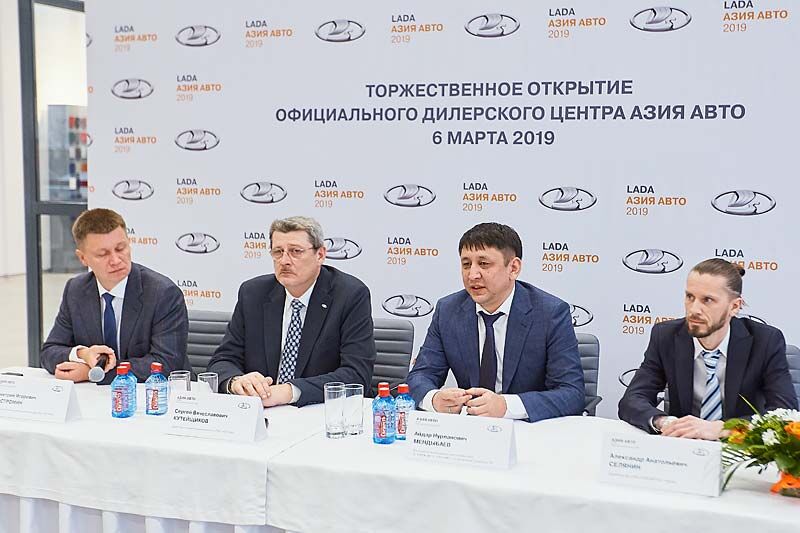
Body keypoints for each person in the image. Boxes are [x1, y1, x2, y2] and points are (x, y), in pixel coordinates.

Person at [406, 222, 585, 421]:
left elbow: (571, 393)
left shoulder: (550, 313)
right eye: (466, 264)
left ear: (513, 268)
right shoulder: (448, 310)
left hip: (527, 429)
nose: (472, 275)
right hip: (469, 429)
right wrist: (434, 399)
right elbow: (420, 376)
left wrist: (506, 406)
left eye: (484, 264)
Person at [618, 258, 798, 440]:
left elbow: (785, 414)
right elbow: (633, 399)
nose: (694, 309)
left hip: (739, 448)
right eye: (690, 297)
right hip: (683, 446)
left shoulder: (765, 341)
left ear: (734, 306)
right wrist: (665, 422)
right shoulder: (666, 336)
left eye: (708, 300)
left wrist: (724, 429)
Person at [208, 216, 376, 407]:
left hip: (319, 411)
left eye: (296, 251)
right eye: (278, 252)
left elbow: (356, 374)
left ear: (320, 255)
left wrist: (290, 391)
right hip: (261, 411)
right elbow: (222, 361)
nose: (285, 261)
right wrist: (236, 382)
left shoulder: (349, 295)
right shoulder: (253, 293)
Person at [41, 208, 189, 384]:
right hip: (95, 396)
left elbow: (166, 364)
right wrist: (82, 354)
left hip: (156, 394)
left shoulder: (163, 293)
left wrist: (94, 373)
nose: (116, 260)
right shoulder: (76, 290)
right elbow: (49, 352)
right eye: (103, 254)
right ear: (83, 258)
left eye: (121, 248)